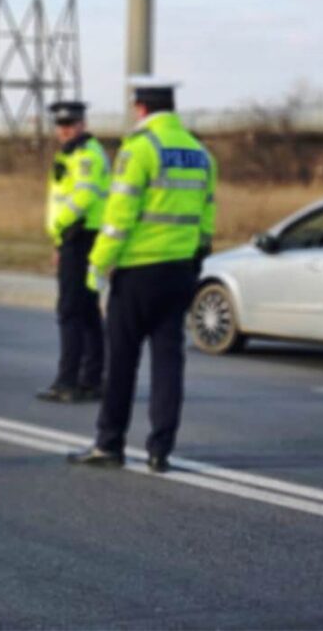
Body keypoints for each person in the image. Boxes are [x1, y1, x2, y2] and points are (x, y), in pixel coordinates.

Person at [68, 77, 217, 473]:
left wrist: (97, 266)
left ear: (140, 108)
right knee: (169, 362)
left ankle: (109, 443)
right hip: (180, 270)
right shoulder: (200, 152)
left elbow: (119, 218)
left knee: (122, 361)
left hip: (137, 272)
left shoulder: (139, 149)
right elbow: (207, 214)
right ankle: (160, 450)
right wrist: (196, 257)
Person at [36, 101, 108, 404]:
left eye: (71, 124)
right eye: (61, 125)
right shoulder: (71, 153)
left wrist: (61, 224)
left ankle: (68, 381)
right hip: (73, 237)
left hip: (81, 236)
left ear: (82, 124)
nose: (65, 130)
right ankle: (92, 379)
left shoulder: (87, 154)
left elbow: (85, 194)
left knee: (70, 310)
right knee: (87, 310)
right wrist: (58, 241)